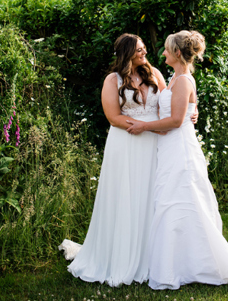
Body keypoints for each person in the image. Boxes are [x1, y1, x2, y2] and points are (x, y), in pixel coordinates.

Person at [126, 30, 228, 289]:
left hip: (179, 147)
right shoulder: (176, 77)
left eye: (168, 50)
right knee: (171, 200)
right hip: (169, 146)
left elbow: (175, 120)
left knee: (181, 199)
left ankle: (191, 263)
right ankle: (177, 260)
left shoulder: (182, 81)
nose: (164, 53)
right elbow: (185, 108)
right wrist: (195, 109)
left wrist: (142, 126)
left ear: (177, 53)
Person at [59, 34, 167, 286]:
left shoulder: (155, 74)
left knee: (152, 195)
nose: (144, 53)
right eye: (139, 50)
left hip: (154, 144)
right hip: (127, 143)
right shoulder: (113, 80)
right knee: (126, 196)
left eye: (143, 48)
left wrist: (186, 114)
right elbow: (113, 117)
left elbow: (169, 106)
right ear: (127, 52)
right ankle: (120, 255)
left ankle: (153, 256)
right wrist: (144, 126)